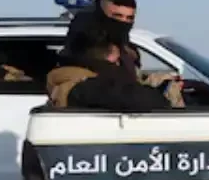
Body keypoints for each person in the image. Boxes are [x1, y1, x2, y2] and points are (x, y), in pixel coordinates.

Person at [47, 15, 181, 111]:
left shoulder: (73, 78)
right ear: (113, 58)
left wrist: (156, 82)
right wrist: (167, 92)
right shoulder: (88, 86)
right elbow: (138, 99)